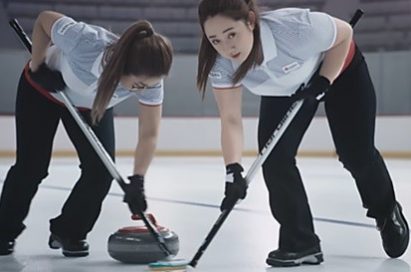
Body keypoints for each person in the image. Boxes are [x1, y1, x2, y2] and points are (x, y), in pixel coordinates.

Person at [197, 0, 409, 267]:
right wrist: (233, 171)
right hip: (284, 90)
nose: (227, 47)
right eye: (215, 40)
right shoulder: (221, 63)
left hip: (340, 70)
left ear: (250, 21)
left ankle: (386, 211)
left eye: (232, 34)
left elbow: (344, 33)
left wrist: (324, 80)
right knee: (274, 159)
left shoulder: (294, 29)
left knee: (355, 153)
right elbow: (230, 119)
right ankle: (301, 242)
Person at [0, 10, 173, 257]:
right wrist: (38, 66)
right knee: (32, 166)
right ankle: (3, 231)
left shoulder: (151, 79)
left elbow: (149, 133)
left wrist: (138, 181)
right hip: (43, 89)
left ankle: (69, 231)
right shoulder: (88, 43)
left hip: (91, 106)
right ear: (123, 65)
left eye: (149, 85)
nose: (143, 89)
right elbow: (43, 20)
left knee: (101, 171)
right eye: (138, 84)